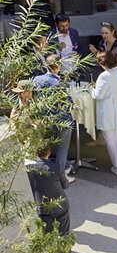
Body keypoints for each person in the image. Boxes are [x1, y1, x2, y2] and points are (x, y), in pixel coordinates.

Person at [26, 146, 73, 253]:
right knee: (64, 232)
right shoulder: (56, 167)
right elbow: (65, 185)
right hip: (61, 204)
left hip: (44, 206)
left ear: (35, 153)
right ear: (49, 153)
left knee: (48, 234)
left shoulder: (30, 169)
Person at [32, 54, 76, 184]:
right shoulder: (60, 83)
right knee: (62, 150)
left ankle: (44, 174)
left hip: (44, 120)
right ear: (58, 66)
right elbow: (68, 103)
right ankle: (61, 178)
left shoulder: (37, 79)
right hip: (61, 120)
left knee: (45, 149)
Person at [90, 51, 117, 176]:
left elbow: (98, 95)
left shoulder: (104, 76)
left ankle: (116, 166)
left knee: (109, 139)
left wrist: (91, 89)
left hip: (107, 110)